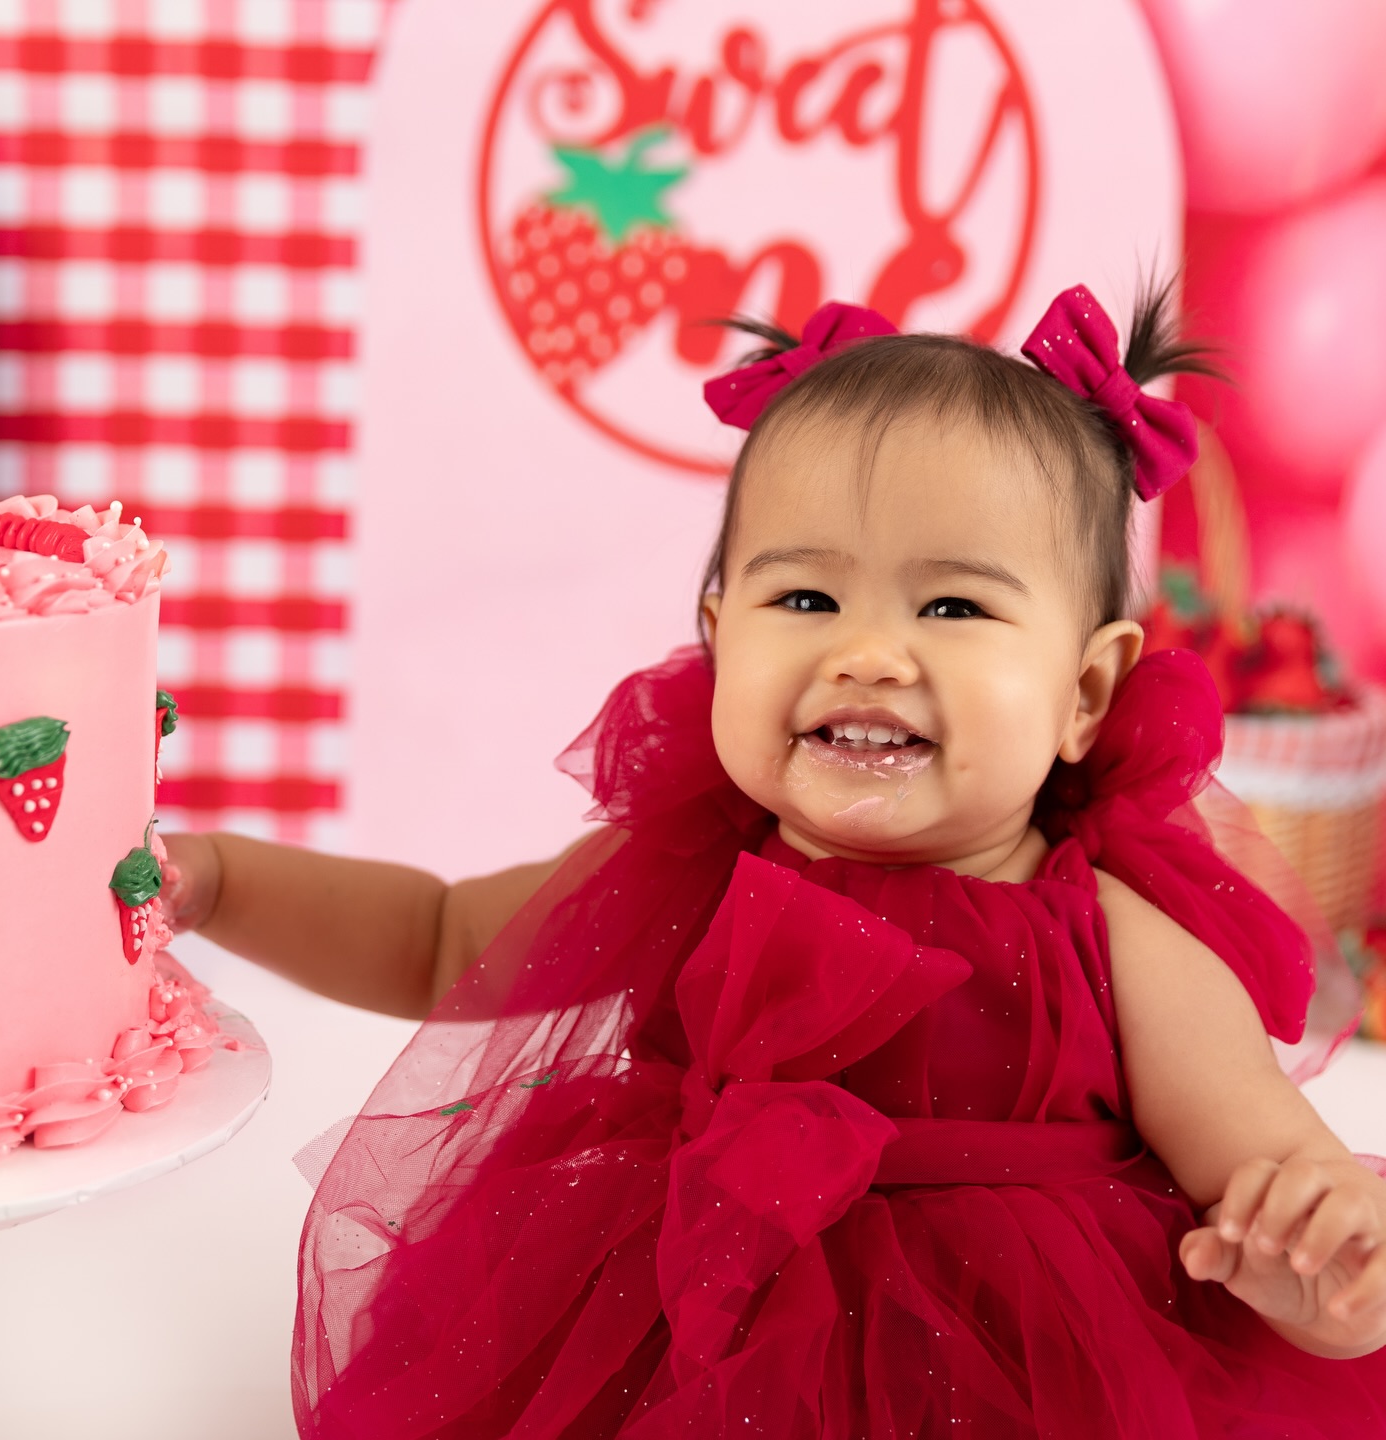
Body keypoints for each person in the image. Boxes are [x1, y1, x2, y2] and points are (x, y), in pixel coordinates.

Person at [164, 283, 1386, 1437]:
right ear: (714, 636)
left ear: (1083, 692)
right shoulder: (686, 876)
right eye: (805, 599)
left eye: (952, 609)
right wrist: (221, 880)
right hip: (688, 1339)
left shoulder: (1113, 941)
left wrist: (1321, 1267)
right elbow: (436, 937)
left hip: (1026, 1376)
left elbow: (1271, 1161)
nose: (868, 655)